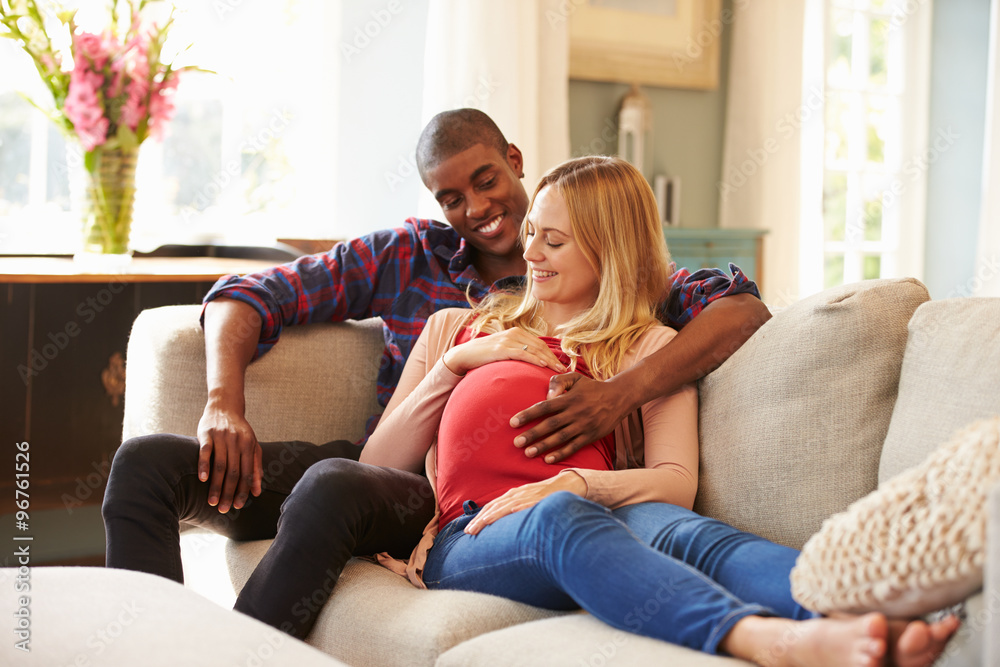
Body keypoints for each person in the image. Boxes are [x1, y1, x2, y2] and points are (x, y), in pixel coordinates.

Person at [102, 109, 768, 639]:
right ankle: (155, 646)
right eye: (450, 197)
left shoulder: (604, 279)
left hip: (442, 499)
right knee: (144, 467)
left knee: (335, 484)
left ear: (515, 163)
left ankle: (240, 651)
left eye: (485, 181)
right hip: (381, 463)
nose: (476, 207)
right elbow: (248, 295)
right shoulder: (409, 258)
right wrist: (223, 402)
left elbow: (738, 308)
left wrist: (616, 396)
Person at [358, 156, 959, 666]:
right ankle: (769, 640)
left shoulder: (652, 348)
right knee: (560, 517)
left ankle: (873, 613)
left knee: (694, 534)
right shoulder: (455, 329)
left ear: (609, 250)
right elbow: (375, 464)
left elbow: (676, 484)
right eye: (533, 232)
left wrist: (576, 482)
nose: (529, 253)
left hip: (592, 511)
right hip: (469, 535)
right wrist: (457, 364)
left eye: (554, 240)